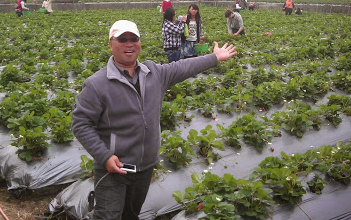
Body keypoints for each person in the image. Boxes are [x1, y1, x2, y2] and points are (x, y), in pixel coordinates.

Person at [71, 20, 237, 220]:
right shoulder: (97, 84)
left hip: (144, 167)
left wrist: (214, 58)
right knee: (107, 216)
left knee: (131, 214)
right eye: (122, 39)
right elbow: (81, 123)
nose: (129, 44)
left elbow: (184, 66)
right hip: (114, 167)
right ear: (111, 44)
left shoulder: (154, 74)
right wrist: (104, 156)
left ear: (140, 43)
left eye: (134, 39)